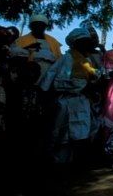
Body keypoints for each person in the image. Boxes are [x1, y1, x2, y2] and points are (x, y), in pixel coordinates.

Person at [40, 27, 103, 165]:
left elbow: (93, 77)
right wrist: (83, 86)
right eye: (84, 42)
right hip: (67, 103)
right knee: (63, 135)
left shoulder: (87, 61)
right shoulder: (67, 59)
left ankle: (76, 164)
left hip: (83, 102)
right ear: (75, 43)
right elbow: (58, 82)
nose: (87, 44)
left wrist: (93, 85)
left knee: (83, 133)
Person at [12, 14, 62, 83]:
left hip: (49, 74)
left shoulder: (53, 41)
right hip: (27, 72)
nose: (38, 27)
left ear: (45, 27)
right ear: (31, 27)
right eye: (35, 25)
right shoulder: (21, 40)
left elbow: (58, 58)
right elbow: (15, 55)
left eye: (41, 25)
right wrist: (27, 49)